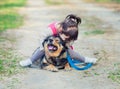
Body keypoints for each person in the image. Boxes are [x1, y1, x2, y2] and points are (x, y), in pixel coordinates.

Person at [19, 14, 98, 67]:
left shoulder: (68, 35)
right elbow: (41, 38)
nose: (66, 38)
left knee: (71, 52)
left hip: (60, 44)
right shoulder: (51, 29)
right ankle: (30, 61)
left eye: (69, 37)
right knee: (42, 50)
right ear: (62, 29)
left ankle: (86, 59)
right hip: (50, 40)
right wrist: (43, 47)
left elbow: (70, 42)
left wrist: (67, 47)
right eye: (66, 35)